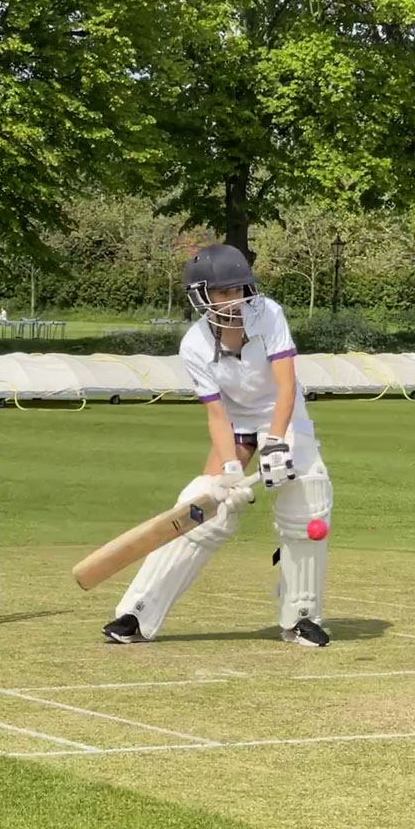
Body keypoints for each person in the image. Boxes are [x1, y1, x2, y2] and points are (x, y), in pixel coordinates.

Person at [103, 244, 332, 648]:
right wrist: (230, 469)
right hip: (236, 422)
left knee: (308, 499)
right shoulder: (193, 345)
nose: (234, 300)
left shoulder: (269, 314)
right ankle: (136, 614)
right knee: (200, 503)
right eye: (222, 293)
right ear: (202, 298)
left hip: (284, 415)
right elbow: (216, 415)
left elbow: (286, 386)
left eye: (238, 289)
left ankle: (301, 617)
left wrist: (277, 442)